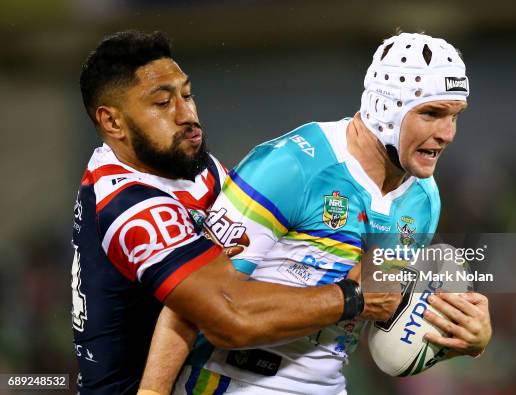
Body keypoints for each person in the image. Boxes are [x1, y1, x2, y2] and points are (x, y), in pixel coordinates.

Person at [139, 32, 492, 395]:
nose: (448, 133)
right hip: (231, 382)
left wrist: (456, 334)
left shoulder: (424, 200)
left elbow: (378, 317)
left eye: (455, 116)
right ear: (386, 107)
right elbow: (191, 304)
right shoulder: (292, 166)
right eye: (431, 114)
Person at [70, 30, 402, 395]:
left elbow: (263, 260)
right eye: (162, 103)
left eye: (186, 94)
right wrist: (353, 297)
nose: (187, 115)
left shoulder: (187, 165)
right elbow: (230, 318)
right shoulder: (133, 211)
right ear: (112, 122)